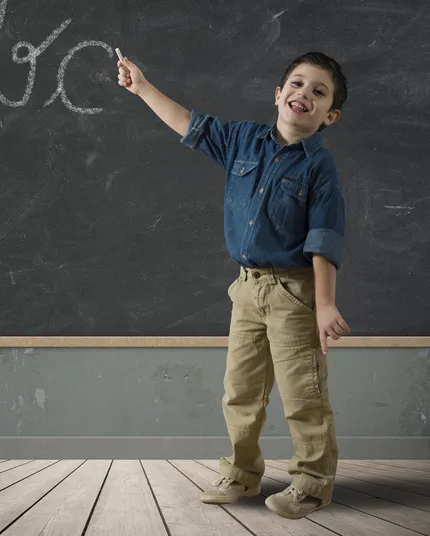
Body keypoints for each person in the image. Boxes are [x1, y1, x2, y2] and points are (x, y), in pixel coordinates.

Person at [117, 51, 350, 520]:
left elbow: (324, 240)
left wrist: (325, 305)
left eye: (318, 92)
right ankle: (242, 471)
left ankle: (311, 481)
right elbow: (188, 123)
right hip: (246, 290)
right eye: (297, 84)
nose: (304, 94)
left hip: (293, 293)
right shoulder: (242, 140)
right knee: (240, 391)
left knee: (303, 393)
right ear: (278, 94)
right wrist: (142, 87)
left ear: (330, 116)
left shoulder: (318, 169)